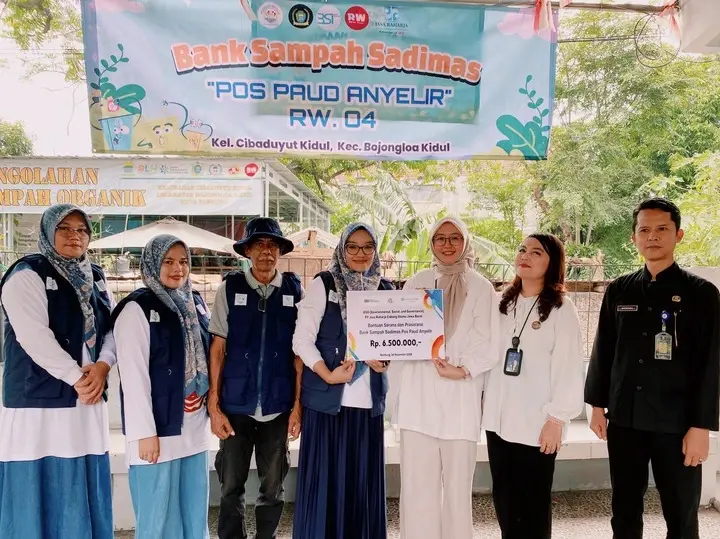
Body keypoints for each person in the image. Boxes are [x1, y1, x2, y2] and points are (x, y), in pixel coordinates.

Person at [585, 198, 720, 539]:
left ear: (679, 235)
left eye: (662, 229)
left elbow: (711, 364)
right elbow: (604, 351)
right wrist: (597, 405)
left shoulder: (702, 294)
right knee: (624, 510)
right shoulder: (619, 290)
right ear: (634, 238)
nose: (653, 236)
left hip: (677, 423)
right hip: (625, 419)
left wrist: (701, 426)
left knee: (681, 512)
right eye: (644, 230)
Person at [0, 203, 116, 539]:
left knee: (83, 476)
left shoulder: (95, 276)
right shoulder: (27, 274)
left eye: (81, 230)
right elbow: (33, 336)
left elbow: (112, 328)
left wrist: (103, 366)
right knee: (36, 480)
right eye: (64, 228)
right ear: (48, 231)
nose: (74, 236)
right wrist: (78, 378)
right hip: (37, 400)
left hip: (87, 395)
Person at [390, 216, 497, 539]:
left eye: (454, 238)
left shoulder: (481, 287)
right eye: (440, 238)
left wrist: (463, 369)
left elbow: (490, 343)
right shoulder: (417, 282)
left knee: (456, 491)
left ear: (465, 242)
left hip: (459, 399)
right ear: (432, 243)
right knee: (416, 488)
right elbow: (400, 336)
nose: (447, 245)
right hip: (418, 399)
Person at [292, 222, 393, 539]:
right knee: (326, 486)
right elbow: (301, 340)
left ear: (375, 250)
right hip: (328, 405)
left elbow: (397, 342)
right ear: (342, 249)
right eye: (353, 246)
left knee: (360, 488)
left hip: (367, 407)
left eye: (368, 246)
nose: (361, 253)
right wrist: (327, 373)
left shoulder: (386, 290)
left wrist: (384, 361)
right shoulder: (324, 284)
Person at [482, 233, 585, 539]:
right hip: (498, 420)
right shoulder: (502, 302)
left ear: (552, 263)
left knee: (533, 504)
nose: (525, 256)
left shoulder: (561, 308)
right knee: (505, 499)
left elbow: (568, 367)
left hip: (538, 423)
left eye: (536, 252)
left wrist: (557, 419)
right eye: (522, 249)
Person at [208, 217, 303, 539]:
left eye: (272, 245)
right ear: (247, 251)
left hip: (278, 406)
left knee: (273, 487)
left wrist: (298, 406)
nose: (266, 251)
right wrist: (214, 405)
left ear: (280, 251)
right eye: (259, 244)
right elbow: (217, 349)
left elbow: (299, 355)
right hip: (236, 405)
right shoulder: (229, 288)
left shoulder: (294, 290)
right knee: (230, 485)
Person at [112, 235, 211, 539]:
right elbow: (134, 376)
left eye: (183, 261)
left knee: (194, 514)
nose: (177, 268)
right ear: (152, 264)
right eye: (168, 261)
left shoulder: (194, 302)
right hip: (157, 431)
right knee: (157, 518)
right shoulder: (136, 308)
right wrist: (145, 433)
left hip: (193, 425)